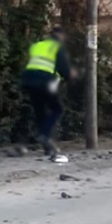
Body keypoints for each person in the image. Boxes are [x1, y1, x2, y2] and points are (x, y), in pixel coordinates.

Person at [21, 26, 73, 161]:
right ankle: (44, 135)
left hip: (29, 81)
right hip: (46, 82)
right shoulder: (57, 47)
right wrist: (69, 77)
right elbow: (63, 69)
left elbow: (31, 62)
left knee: (40, 112)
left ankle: (47, 147)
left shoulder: (37, 45)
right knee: (57, 109)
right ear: (60, 36)